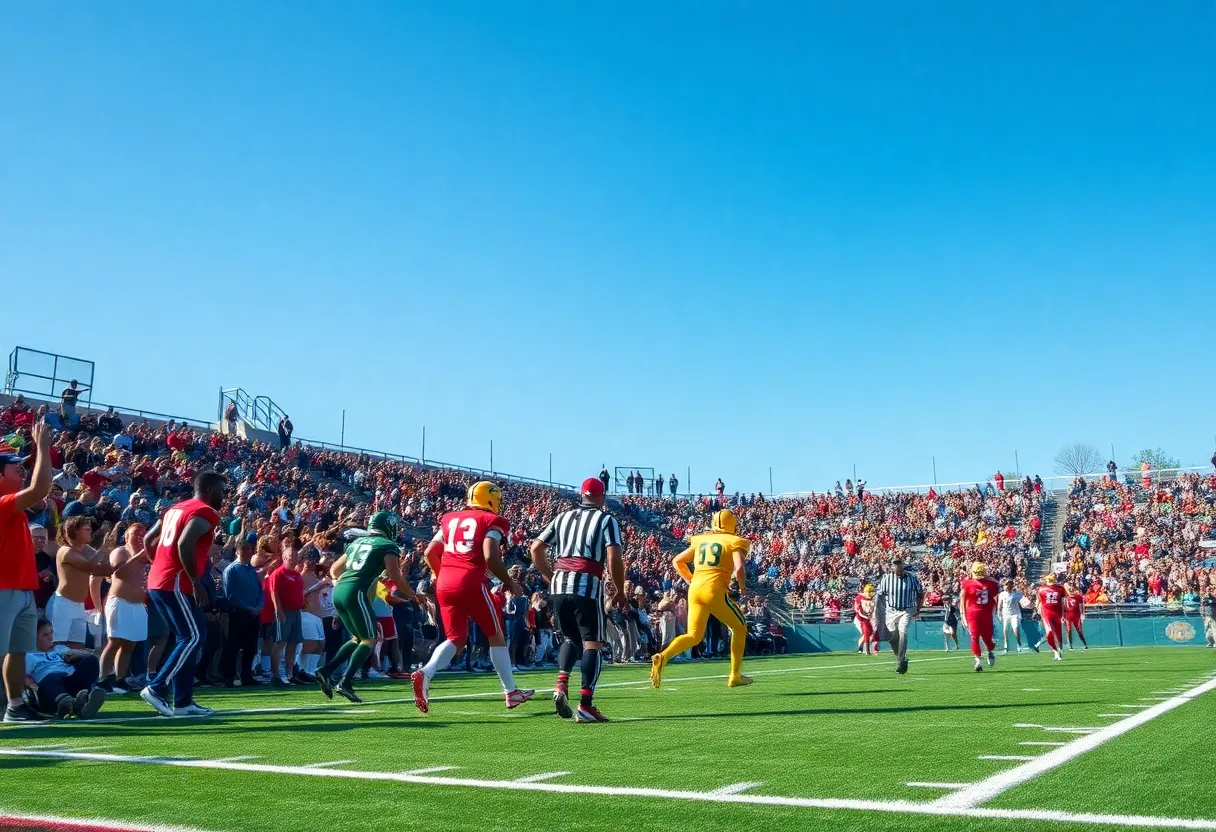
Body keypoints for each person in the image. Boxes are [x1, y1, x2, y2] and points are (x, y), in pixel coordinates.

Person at [412, 482, 533, 714]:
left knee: (456, 638)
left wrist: (439, 574)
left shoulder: (450, 519)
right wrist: (509, 583)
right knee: (495, 634)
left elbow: (429, 553)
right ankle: (511, 692)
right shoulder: (492, 521)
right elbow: (490, 555)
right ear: (491, 499)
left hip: (445, 581)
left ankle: (425, 672)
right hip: (470, 579)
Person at [530, 477, 626, 722]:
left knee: (571, 638)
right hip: (586, 585)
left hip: (560, 585)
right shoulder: (606, 519)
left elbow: (536, 548)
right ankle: (586, 705)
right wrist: (619, 590)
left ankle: (561, 684)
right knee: (592, 643)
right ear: (601, 497)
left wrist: (548, 575)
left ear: (581, 496)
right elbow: (614, 557)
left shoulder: (562, 517)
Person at [139, 470, 225, 718]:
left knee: (186, 638)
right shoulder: (206, 511)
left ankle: (184, 701)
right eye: (222, 490)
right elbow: (184, 543)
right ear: (209, 491)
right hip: (177, 582)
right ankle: (157, 687)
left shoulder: (175, 508)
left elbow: (148, 538)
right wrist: (196, 581)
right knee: (193, 637)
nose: (224, 496)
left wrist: (158, 564)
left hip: (161, 580)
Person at [317, 511, 418, 703]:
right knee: (370, 640)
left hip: (340, 590)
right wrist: (412, 594)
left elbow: (334, 570)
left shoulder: (356, 543)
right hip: (356, 591)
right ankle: (345, 681)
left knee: (358, 638)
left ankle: (326, 670)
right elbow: (395, 575)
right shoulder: (388, 545)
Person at [650, 508, 752, 690]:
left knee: (693, 635)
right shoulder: (735, 541)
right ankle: (735, 675)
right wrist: (743, 587)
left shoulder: (701, 540)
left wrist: (691, 579)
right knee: (740, 627)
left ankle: (663, 657)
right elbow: (739, 569)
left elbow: (677, 561)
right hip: (714, 589)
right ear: (732, 524)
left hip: (695, 590)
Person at [1, 421, 54, 723]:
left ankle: (15, 705)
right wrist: (43, 447)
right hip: (4, 586)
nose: (21, 472)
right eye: (15, 468)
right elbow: (41, 487)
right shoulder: (3, 501)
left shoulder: (13, 505)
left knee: (18, 652)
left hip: (21, 588)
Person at [98, 521, 149, 693]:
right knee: (114, 641)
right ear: (126, 536)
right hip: (120, 601)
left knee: (130, 644)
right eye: (136, 532)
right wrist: (137, 556)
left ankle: (120, 679)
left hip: (138, 604)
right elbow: (118, 573)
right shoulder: (120, 551)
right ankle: (103, 678)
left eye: (143, 532)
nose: (140, 535)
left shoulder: (147, 555)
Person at [24, 619, 106, 719]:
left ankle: (81, 702)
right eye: (45, 635)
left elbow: (88, 656)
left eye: (51, 633)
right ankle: (67, 703)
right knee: (51, 677)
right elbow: (19, 676)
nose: (50, 637)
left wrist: (76, 655)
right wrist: (29, 683)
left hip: (69, 681)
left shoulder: (60, 649)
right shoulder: (28, 656)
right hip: (48, 691)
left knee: (91, 660)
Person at [52, 517, 114, 648]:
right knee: (58, 643)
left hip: (80, 605)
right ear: (74, 531)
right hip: (64, 603)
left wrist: (109, 551)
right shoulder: (65, 551)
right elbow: (89, 566)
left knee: (78, 645)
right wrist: (102, 549)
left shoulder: (85, 548)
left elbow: (102, 563)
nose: (90, 531)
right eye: (86, 529)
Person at [220, 532, 264, 687]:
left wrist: (259, 607)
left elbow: (260, 591)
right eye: (245, 550)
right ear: (238, 552)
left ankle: (246, 675)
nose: (249, 552)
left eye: (250, 549)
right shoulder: (231, 570)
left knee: (250, 646)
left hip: (253, 614)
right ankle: (228, 677)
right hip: (238, 613)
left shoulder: (251, 571)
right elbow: (231, 595)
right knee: (234, 644)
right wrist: (249, 608)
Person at [873, 552, 923, 675]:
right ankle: (902, 658)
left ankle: (900, 662)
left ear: (903, 565)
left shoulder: (912, 578)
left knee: (903, 631)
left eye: (899, 564)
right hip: (891, 611)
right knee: (893, 638)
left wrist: (918, 609)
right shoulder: (886, 579)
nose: (897, 567)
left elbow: (920, 593)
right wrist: (876, 612)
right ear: (891, 567)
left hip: (907, 610)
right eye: (894, 564)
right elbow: (879, 595)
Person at [960, 561, 999, 672]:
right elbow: (963, 598)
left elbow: (997, 595)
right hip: (973, 613)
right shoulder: (970, 584)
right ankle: (977, 659)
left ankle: (990, 651)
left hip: (985, 614)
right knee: (974, 636)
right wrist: (963, 614)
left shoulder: (989, 584)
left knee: (987, 639)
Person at [1036, 574, 1066, 661]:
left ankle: (1060, 651)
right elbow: (1039, 600)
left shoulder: (1060, 588)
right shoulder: (1042, 588)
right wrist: (1037, 609)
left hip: (1057, 613)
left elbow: (1062, 602)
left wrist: (1063, 614)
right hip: (1047, 612)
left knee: (1058, 633)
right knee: (1049, 632)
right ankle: (1056, 651)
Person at [997, 579, 1025, 653]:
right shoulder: (1002, 594)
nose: (1007, 586)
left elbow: (1023, 601)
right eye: (1006, 584)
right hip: (1005, 614)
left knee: (1015, 628)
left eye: (1009, 584)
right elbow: (1000, 604)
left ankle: (1018, 644)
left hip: (1015, 613)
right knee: (1005, 630)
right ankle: (1006, 644)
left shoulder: (1017, 594)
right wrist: (999, 612)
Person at [1062, 581, 1088, 650]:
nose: (1070, 591)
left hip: (1076, 616)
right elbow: (1063, 608)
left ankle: (1085, 644)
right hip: (1068, 616)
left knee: (1079, 631)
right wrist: (1063, 616)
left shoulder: (1077, 597)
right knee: (1069, 630)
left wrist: (1083, 614)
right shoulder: (1065, 598)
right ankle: (1070, 644)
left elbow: (1082, 605)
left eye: (1071, 590)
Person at [852, 584, 876, 655]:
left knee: (869, 633)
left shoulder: (872, 598)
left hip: (867, 618)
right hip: (860, 619)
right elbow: (857, 609)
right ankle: (862, 649)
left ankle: (863, 648)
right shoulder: (860, 598)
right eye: (870, 591)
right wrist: (865, 616)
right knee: (866, 633)